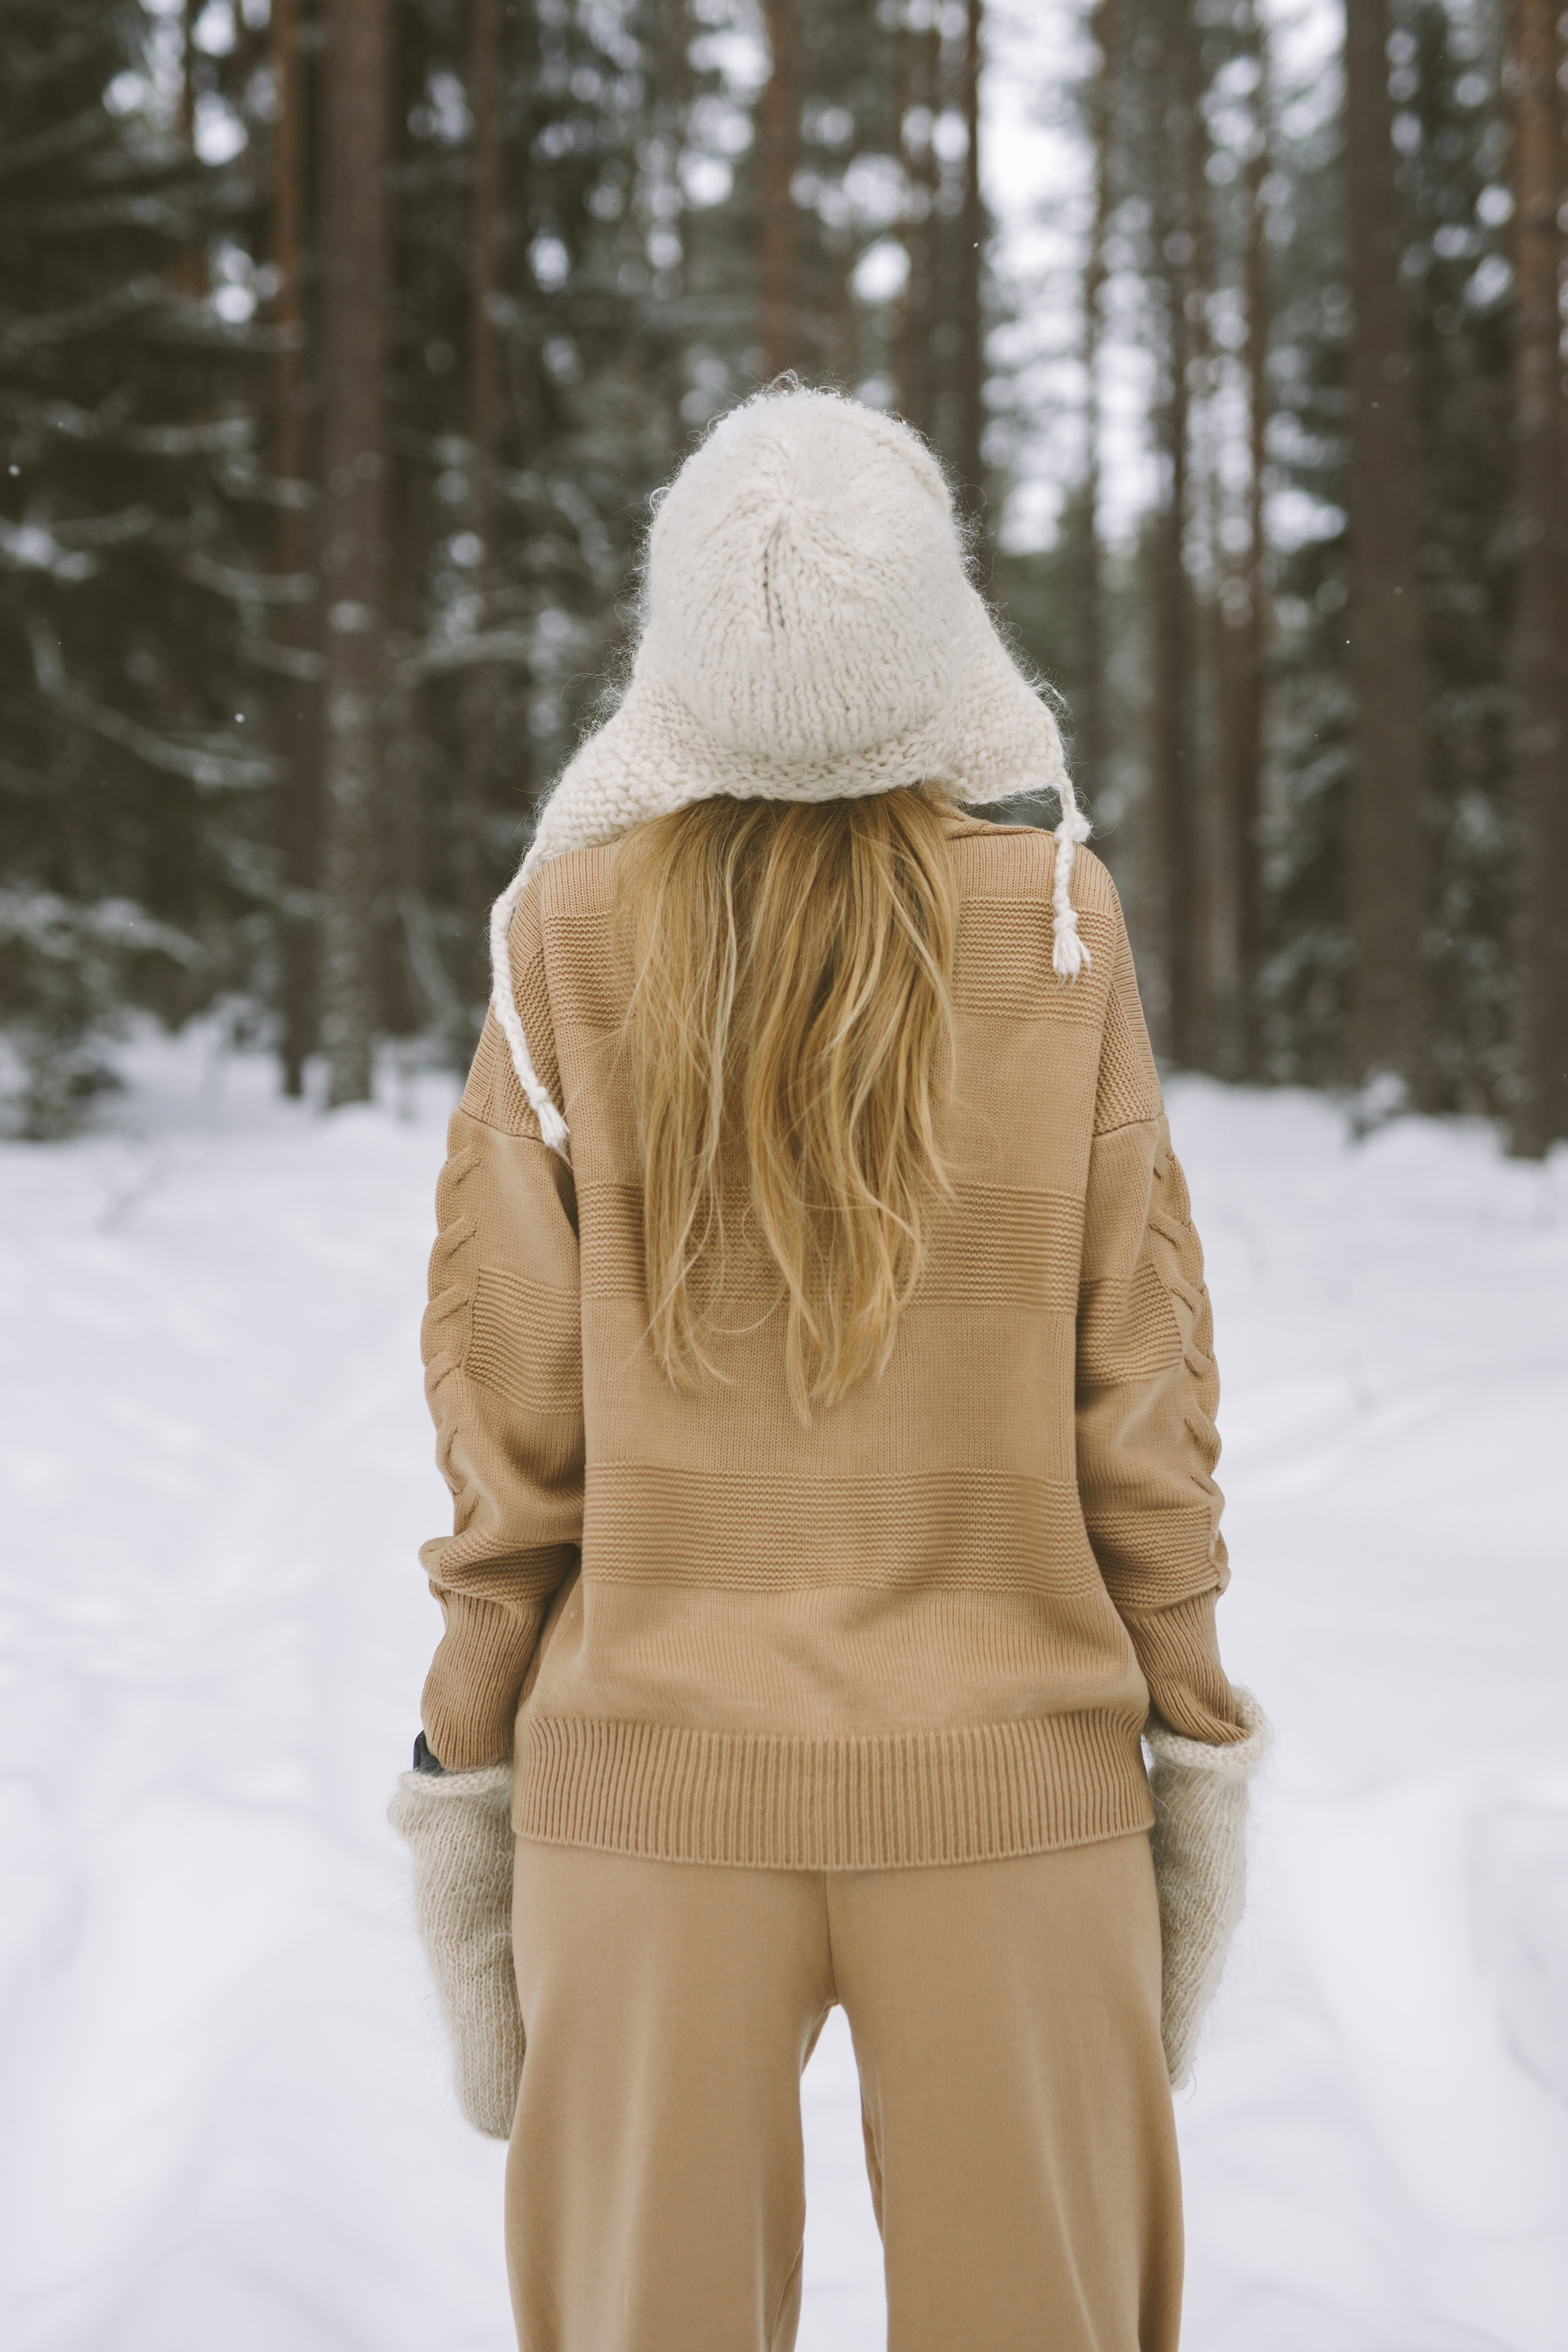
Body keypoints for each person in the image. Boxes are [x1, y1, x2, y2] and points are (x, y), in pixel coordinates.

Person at [391, 386, 1267, 2352]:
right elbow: (1141, 1396)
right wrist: (1191, 1738)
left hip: (646, 1799)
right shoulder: (1055, 927)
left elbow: (505, 1429)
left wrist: (467, 1752)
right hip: (1015, 1788)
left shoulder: (568, 941)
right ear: (935, 644)